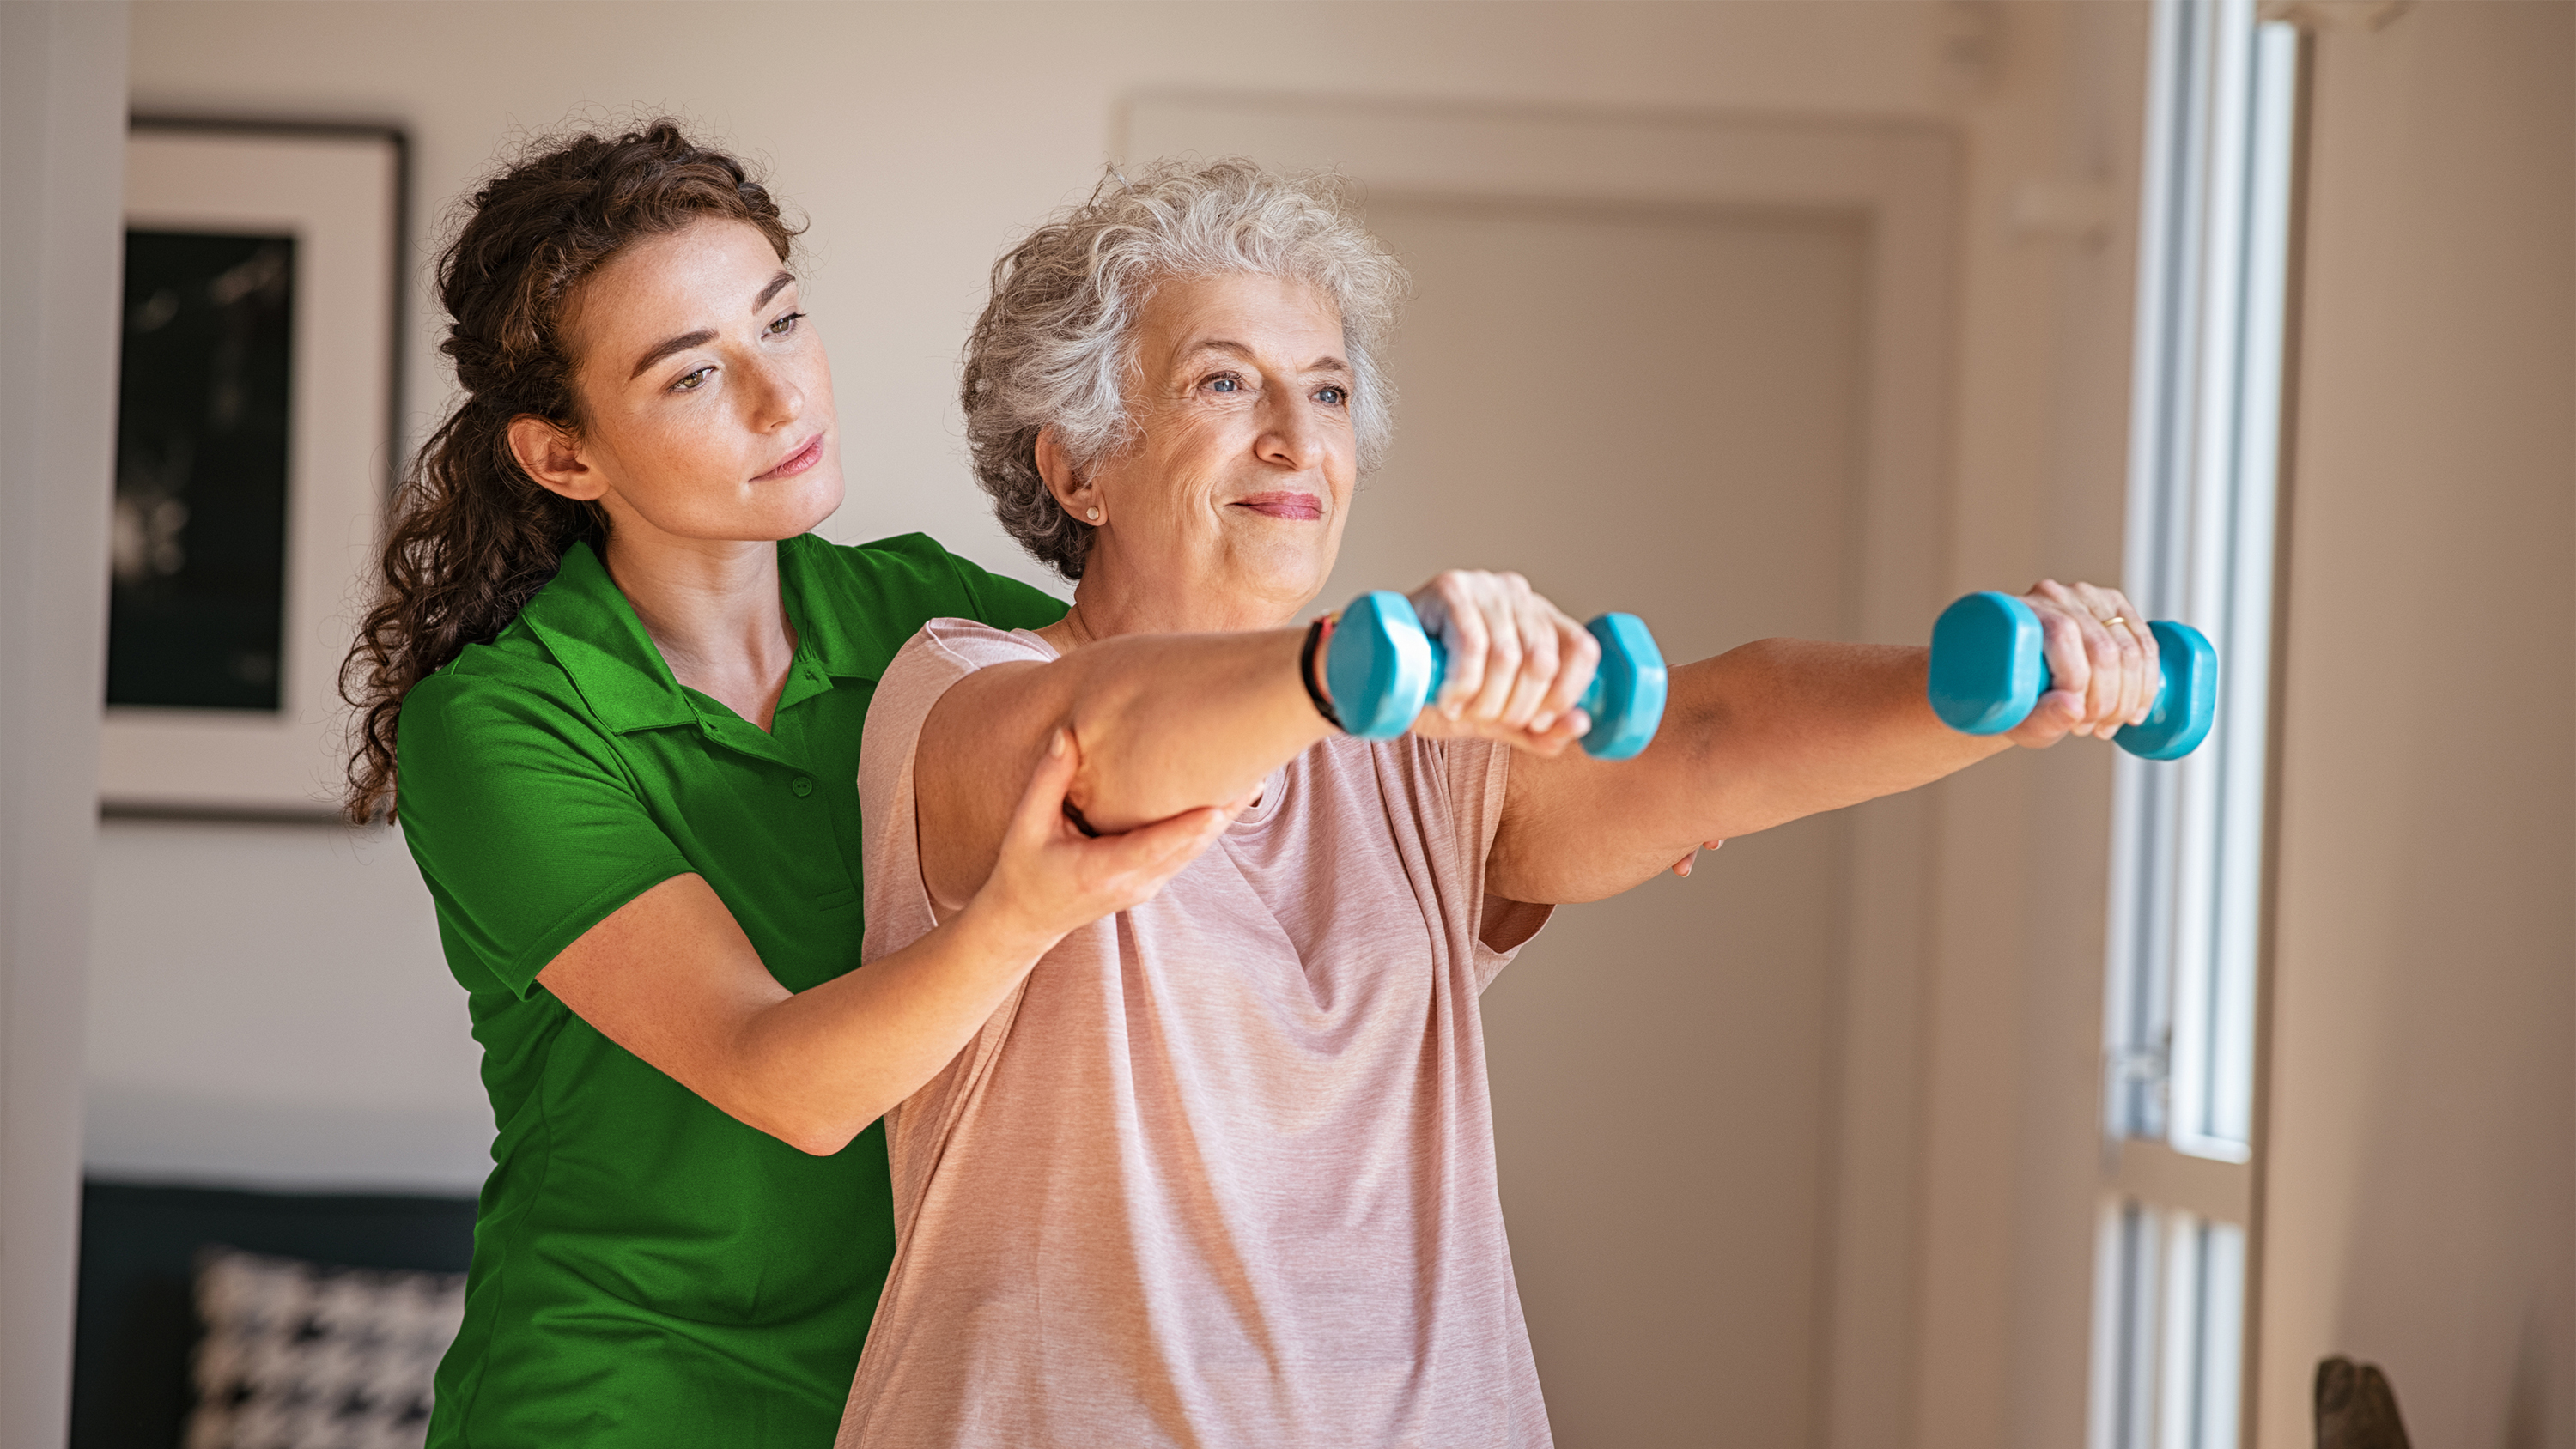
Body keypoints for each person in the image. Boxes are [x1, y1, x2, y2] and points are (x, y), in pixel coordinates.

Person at [833, 160, 2163, 1448]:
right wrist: (1357, 662)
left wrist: (1987, 691)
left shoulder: (1415, 746)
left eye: (1330, 390)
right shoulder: (964, 687)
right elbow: (1099, 749)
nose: (1298, 437)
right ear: (1077, 468)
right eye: (1224, 382)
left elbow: (1703, 734)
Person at [340, 123, 1230, 1447]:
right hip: (621, 1401)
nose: (782, 398)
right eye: (695, 376)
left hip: (909, 1396)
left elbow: (1162, 702)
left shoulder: (924, 615)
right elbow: (788, 1085)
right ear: (563, 457)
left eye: (784, 322)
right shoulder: (498, 726)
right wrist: (1022, 914)